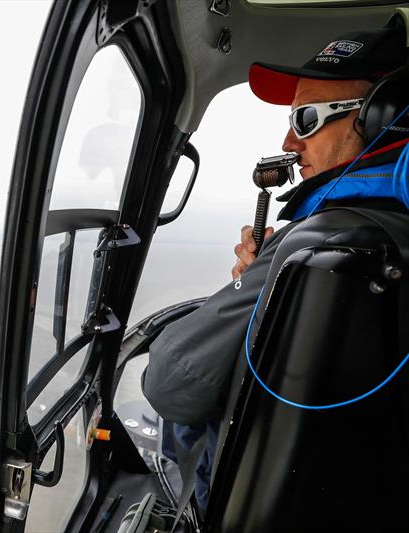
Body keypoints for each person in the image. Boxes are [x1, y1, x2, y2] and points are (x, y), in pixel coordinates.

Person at [142, 20, 409, 512]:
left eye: (306, 119)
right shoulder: (391, 228)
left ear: (381, 117)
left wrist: (267, 271)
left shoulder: (318, 241)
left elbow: (172, 383)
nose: (289, 142)